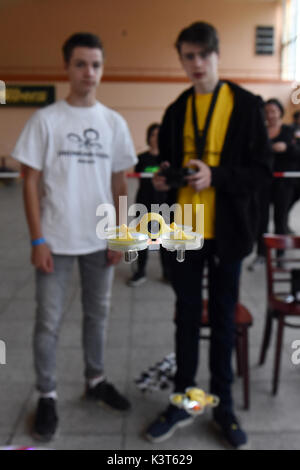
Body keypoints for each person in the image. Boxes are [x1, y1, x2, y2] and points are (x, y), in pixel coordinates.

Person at [145, 22, 272, 449]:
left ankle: (223, 408)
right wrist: (164, 181)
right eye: (188, 56)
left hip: (227, 235)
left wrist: (214, 175)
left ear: (217, 55)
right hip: (183, 234)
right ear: (181, 59)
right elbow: (165, 166)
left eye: (203, 55)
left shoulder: (246, 105)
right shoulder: (177, 108)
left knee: (221, 320)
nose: (196, 64)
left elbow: (260, 174)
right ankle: (182, 401)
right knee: (184, 318)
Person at [12, 32, 137, 442]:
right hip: (56, 241)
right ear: (66, 67)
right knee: (47, 323)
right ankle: (47, 394)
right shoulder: (46, 119)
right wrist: (36, 240)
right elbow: (30, 181)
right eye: (81, 64)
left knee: (97, 316)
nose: (89, 72)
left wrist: (120, 236)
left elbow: (120, 183)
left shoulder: (113, 123)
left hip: (99, 242)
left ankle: (95, 379)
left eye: (96, 65)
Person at [249, 99, 300, 270]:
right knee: (261, 219)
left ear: (280, 112)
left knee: (281, 218)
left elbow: (297, 153)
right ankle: (261, 254)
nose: (270, 114)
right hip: (263, 182)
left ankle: (280, 254)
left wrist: (286, 148)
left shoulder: (289, 130)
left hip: (284, 183)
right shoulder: (259, 131)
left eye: (273, 111)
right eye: (267, 111)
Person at [127, 123, 170, 286]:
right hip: (144, 202)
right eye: (153, 134)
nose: (156, 138)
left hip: (165, 204)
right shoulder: (142, 158)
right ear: (148, 137)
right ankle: (140, 272)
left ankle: (167, 272)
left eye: (160, 134)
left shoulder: (168, 159)